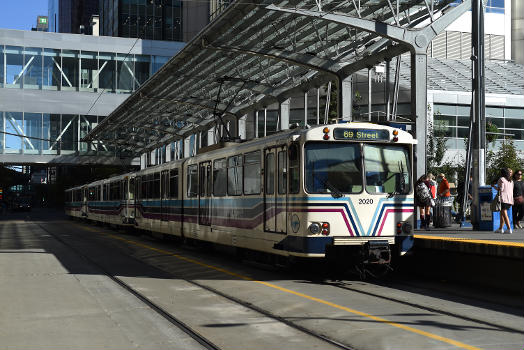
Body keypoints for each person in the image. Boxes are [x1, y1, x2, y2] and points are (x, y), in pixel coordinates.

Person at [494, 168, 514, 234]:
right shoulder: (511, 181)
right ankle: (500, 228)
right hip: (510, 199)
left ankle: (509, 228)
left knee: (504, 214)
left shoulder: (501, 179)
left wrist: (493, 186)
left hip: (503, 199)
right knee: (502, 214)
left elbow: (500, 189)